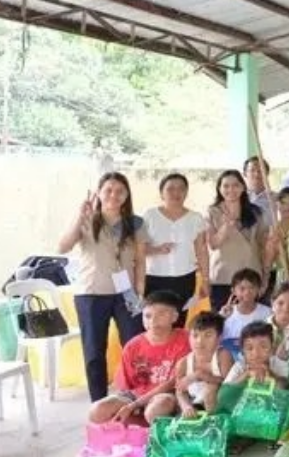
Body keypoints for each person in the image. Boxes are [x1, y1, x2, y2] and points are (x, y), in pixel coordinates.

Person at [59, 172, 150, 402]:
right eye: (108, 190)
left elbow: (140, 261)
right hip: (91, 294)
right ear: (99, 193)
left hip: (126, 295)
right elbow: (62, 247)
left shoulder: (136, 223)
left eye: (120, 191)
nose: (113, 195)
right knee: (94, 352)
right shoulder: (88, 219)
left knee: (134, 347)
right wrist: (80, 216)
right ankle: (98, 402)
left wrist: (140, 292)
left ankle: (137, 399)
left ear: (127, 195)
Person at [86, 290, 189, 424]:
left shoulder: (185, 339)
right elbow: (124, 387)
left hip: (168, 395)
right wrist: (128, 405)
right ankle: (138, 428)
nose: (153, 321)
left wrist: (133, 406)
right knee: (97, 411)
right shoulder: (133, 345)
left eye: (161, 314)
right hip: (136, 396)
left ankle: (155, 429)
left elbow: (172, 383)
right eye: (147, 316)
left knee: (156, 410)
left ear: (174, 317)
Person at [143, 173, 208, 326]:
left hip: (185, 279)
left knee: (178, 321)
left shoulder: (196, 218)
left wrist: (206, 280)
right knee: (154, 323)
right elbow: (138, 249)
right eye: (170, 189)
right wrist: (156, 250)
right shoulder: (150, 215)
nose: (176, 193)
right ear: (162, 193)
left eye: (181, 189)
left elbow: (202, 251)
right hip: (155, 278)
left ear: (186, 192)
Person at [208, 170, 267, 309]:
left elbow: (262, 245)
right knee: (222, 317)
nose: (231, 190)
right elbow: (213, 244)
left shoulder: (255, 212)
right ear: (219, 188)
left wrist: (265, 276)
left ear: (243, 187)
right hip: (223, 276)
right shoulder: (212, 211)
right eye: (226, 186)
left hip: (251, 275)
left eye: (235, 185)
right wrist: (226, 226)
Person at [174, 312, 233, 417]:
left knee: (211, 389)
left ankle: (215, 422)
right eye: (195, 335)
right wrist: (186, 406)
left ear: (219, 338)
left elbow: (230, 385)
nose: (200, 341)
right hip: (196, 407)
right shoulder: (183, 363)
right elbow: (180, 391)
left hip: (223, 407)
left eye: (208, 335)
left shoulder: (223, 356)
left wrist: (199, 375)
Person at [219, 268, 272, 351]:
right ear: (233, 291)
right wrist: (221, 318)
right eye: (242, 288)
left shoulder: (268, 313)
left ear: (259, 289)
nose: (247, 292)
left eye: (252, 287)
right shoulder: (225, 313)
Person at [224, 321, 289, 386]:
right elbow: (225, 390)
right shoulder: (239, 367)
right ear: (242, 351)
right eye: (250, 348)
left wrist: (270, 374)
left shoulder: (280, 365)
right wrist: (246, 374)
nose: (256, 353)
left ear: (271, 349)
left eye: (263, 347)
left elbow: (284, 387)